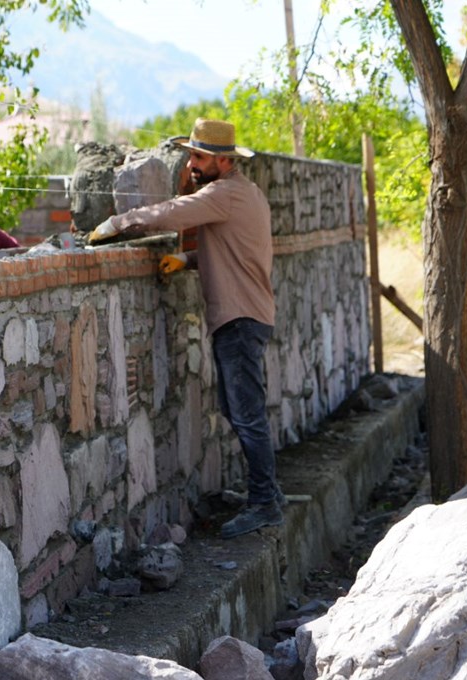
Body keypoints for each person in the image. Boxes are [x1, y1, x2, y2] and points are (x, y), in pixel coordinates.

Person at [88, 118, 282, 539]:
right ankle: (268, 496)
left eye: (198, 157)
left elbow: (173, 214)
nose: (191, 164)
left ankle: (265, 503)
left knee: (246, 416)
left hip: (240, 319)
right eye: (190, 155)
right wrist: (189, 262)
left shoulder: (223, 194)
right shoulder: (244, 193)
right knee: (239, 411)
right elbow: (235, 254)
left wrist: (118, 223)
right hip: (246, 315)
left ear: (222, 160)